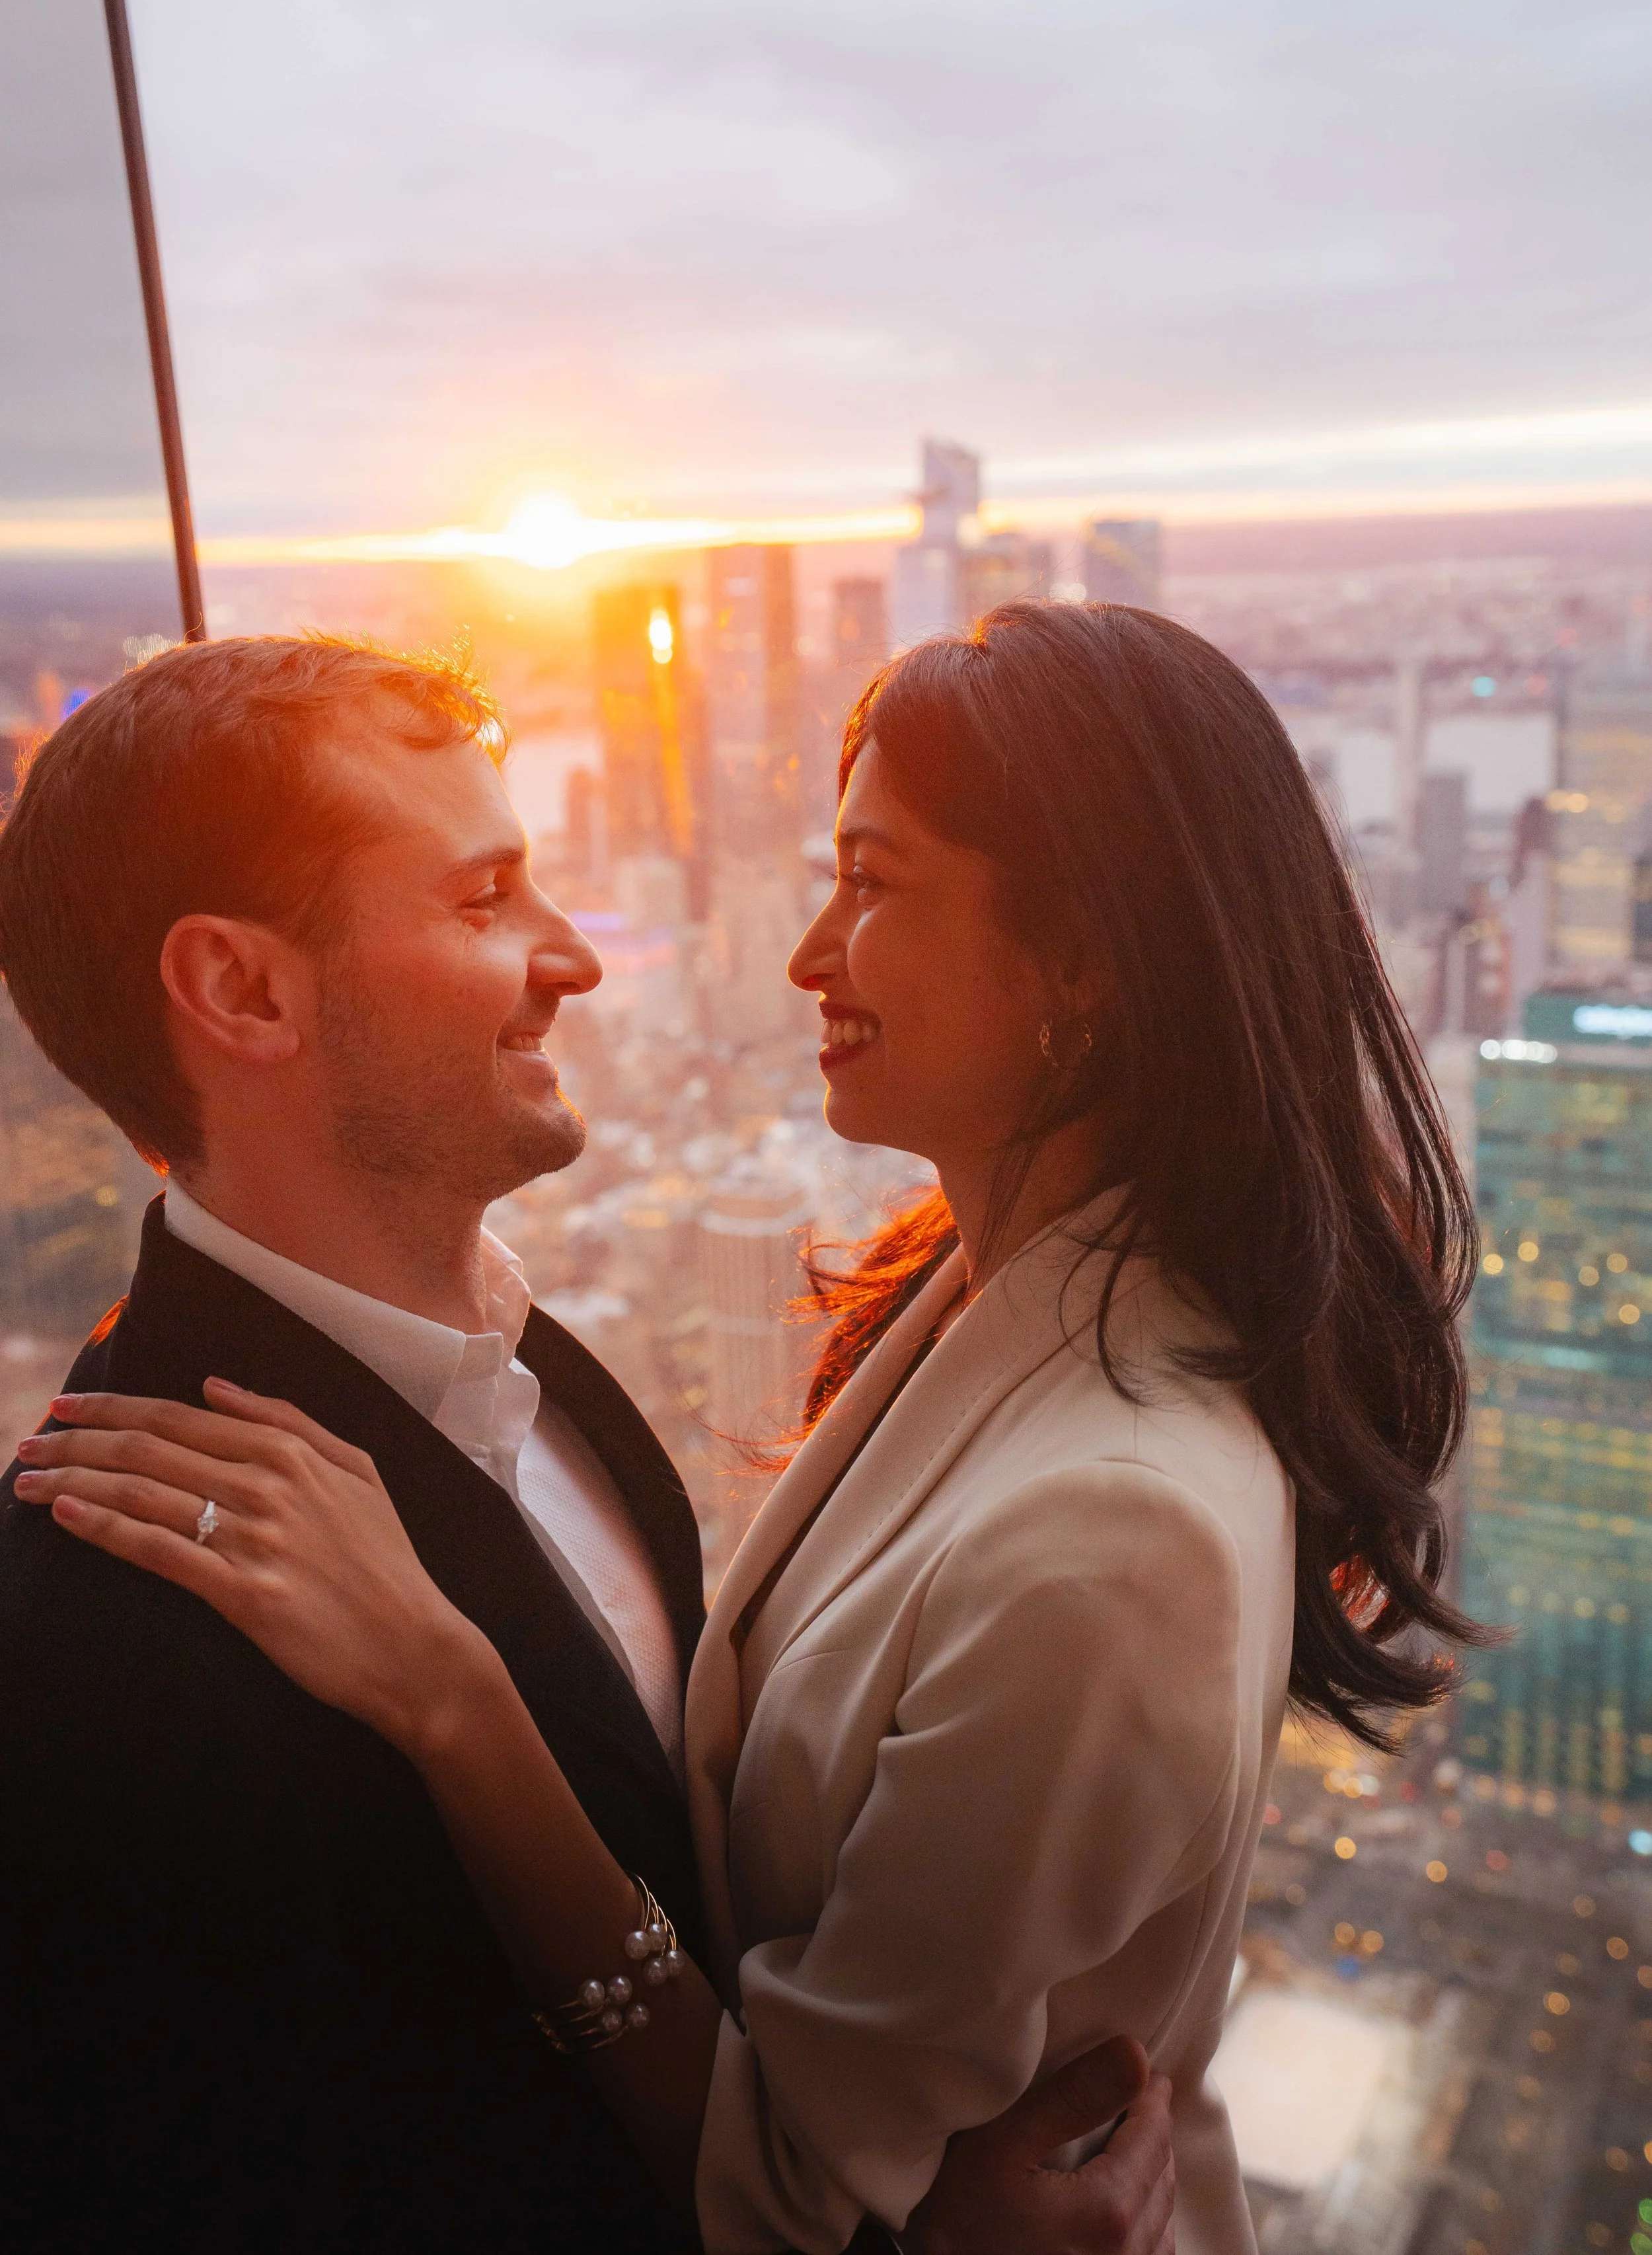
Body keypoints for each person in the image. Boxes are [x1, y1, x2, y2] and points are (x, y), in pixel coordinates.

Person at [18, 603, 1480, 2251]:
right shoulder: (84, 1640)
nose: (574, 957)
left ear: (1080, 963)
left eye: (869, 882)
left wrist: (460, 1712)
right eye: (488, 897)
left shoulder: (591, 1401)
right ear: (238, 988)